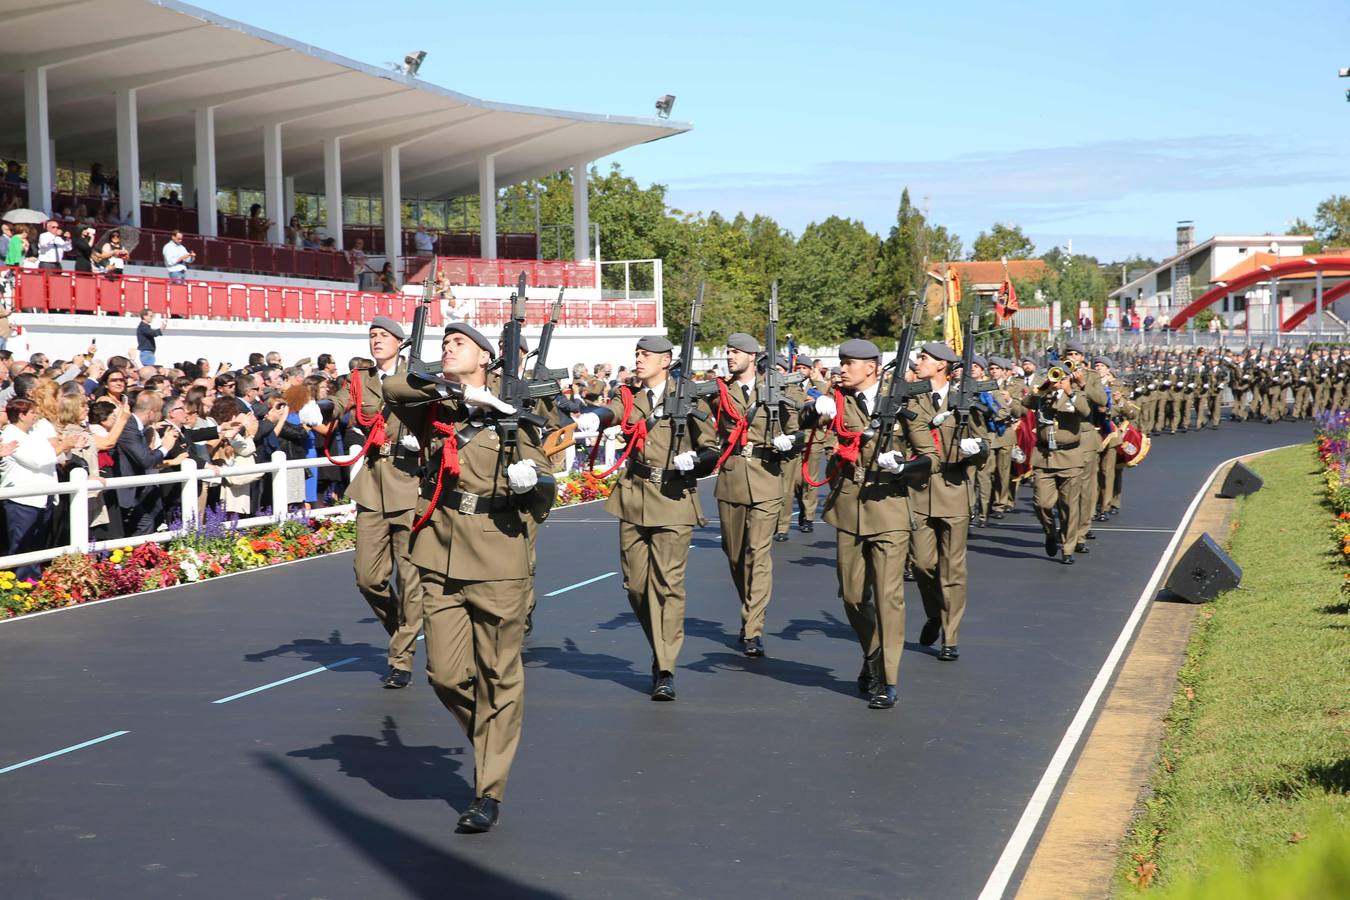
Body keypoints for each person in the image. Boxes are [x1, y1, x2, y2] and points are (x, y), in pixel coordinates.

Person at [381, 321, 555, 834]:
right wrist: (458, 388)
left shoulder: (514, 412)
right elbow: (394, 386)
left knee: (500, 674)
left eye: (458, 343)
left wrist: (531, 484)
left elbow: (543, 493)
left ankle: (489, 789)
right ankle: (492, 734)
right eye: (444, 343)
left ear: (486, 356)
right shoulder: (436, 406)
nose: (446, 347)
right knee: (446, 675)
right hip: (439, 552)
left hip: (498, 556)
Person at [572, 335, 719, 700]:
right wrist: (595, 415)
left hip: (672, 498)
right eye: (637, 354)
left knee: (667, 585)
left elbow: (712, 449)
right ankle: (661, 642)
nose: (639, 360)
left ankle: (665, 666)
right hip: (634, 497)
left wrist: (696, 462)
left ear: (666, 360)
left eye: (647, 355)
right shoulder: (630, 396)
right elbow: (616, 412)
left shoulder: (690, 398)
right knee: (637, 587)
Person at [801, 338, 938, 709]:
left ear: (872, 367)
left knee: (889, 598)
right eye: (841, 362)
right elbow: (807, 421)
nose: (842, 368)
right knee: (851, 595)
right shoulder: (836, 397)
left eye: (850, 363)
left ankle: (886, 679)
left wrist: (904, 467)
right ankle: (874, 651)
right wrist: (817, 409)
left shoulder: (904, 401)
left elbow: (931, 457)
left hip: (890, 506)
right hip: (848, 506)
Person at [311, 316, 425, 690]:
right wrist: (321, 409)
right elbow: (340, 403)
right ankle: (402, 632)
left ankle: (401, 658)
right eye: (372, 335)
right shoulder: (360, 380)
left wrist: (421, 442)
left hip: (410, 482)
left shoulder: (418, 376)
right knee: (368, 577)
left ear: (399, 341)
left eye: (383, 336)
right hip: (374, 484)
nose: (376, 341)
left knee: (410, 580)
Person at [710, 333, 802, 657]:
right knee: (735, 556)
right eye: (728, 351)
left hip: (766, 478)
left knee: (757, 555)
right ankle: (750, 608)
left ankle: (753, 628)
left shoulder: (776, 388)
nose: (730, 356)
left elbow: (798, 425)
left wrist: (790, 441)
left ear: (752, 356)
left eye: (735, 352)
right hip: (732, 477)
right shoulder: (720, 391)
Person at [908, 342, 988, 662]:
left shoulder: (965, 399)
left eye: (924, 358)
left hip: (954, 490)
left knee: (953, 569)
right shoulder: (911, 396)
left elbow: (985, 444)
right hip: (920, 491)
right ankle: (934, 614)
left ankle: (950, 636)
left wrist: (976, 449)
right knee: (922, 564)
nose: (918, 362)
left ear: (942, 365)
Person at [1029, 366, 1090, 565]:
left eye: (1061, 377)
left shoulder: (1075, 394)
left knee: (1069, 506)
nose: (1057, 380)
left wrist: (1070, 391)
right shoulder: (1043, 395)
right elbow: (1025, 404)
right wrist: (1043, 389)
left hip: (1070, 457)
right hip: (1044, 456)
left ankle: (1068, 548)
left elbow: (1085, 410)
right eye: (1055, 376)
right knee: (1042, 504)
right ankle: (1049, 532)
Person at [0, 398, 61, 577]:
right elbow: (37, 461)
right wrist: (63, 446)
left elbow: (51, 455)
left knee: (37, 543)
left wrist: (61, 448)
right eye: (33, 413)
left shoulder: (36, 432)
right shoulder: (10, 435)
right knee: (22, 544)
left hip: (43, 496)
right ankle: (22, 585)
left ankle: (33, 582)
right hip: (22, 499)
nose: (36, 416)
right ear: (21, 415)